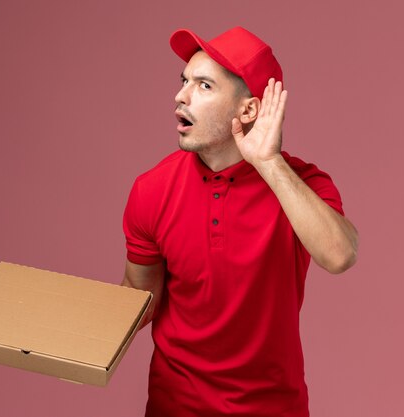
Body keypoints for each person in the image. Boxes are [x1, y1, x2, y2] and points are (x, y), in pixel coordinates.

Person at [121, 26, 359, 417]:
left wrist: (269, 163)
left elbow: (340, 255)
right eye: (184, 81)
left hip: (273, 408)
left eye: (203, 86)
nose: (180, 96)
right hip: (175, 407)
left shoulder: (303, 185)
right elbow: (141, 298)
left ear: (247, 110)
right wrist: (74, 340)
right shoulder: (151, 189)